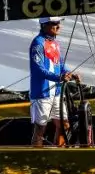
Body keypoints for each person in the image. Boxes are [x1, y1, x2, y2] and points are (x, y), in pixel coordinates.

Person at [29, 16, 80, 147]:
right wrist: (58, 78)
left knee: (64, 125)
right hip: (42, 93)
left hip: (56, 92)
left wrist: (70, 74)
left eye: (59, 23)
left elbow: (61, 65)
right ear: (45, 25)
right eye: (55, 23)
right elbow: (38, 70)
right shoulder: (38, 43)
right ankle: (37, 157)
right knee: (40, 129)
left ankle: (58, 151)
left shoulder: (55, 44)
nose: (59, 26)